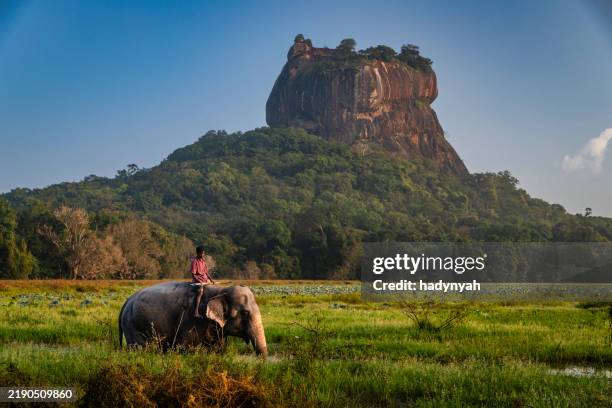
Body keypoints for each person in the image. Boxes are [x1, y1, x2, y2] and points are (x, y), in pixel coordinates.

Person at [191, 245, 215, 318]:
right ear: (198, 253)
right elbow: (193, 274)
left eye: (203, 253)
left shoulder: (203, 261)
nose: (203, 255)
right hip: (197, 281)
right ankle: (196, 312)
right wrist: (199, 281)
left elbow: (206, 272)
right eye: (202, 253)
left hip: (205, 280)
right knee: (200, 291)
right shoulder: (194, 262)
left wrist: (211, 280)